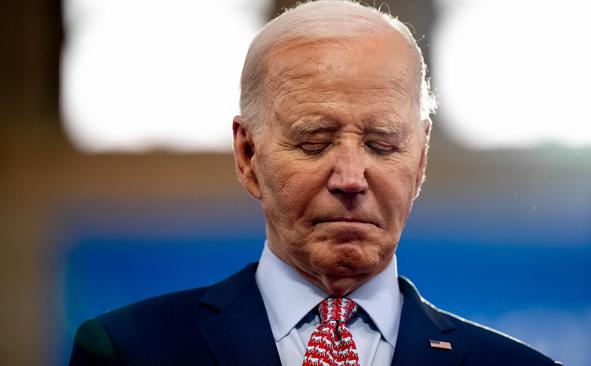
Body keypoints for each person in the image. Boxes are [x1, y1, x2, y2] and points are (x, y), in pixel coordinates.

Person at [70, 1, 561, 365]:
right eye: (314, 142)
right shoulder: (129, 352)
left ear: (421, 160)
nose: (350, 179)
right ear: (248, 155)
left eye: (383, 144)